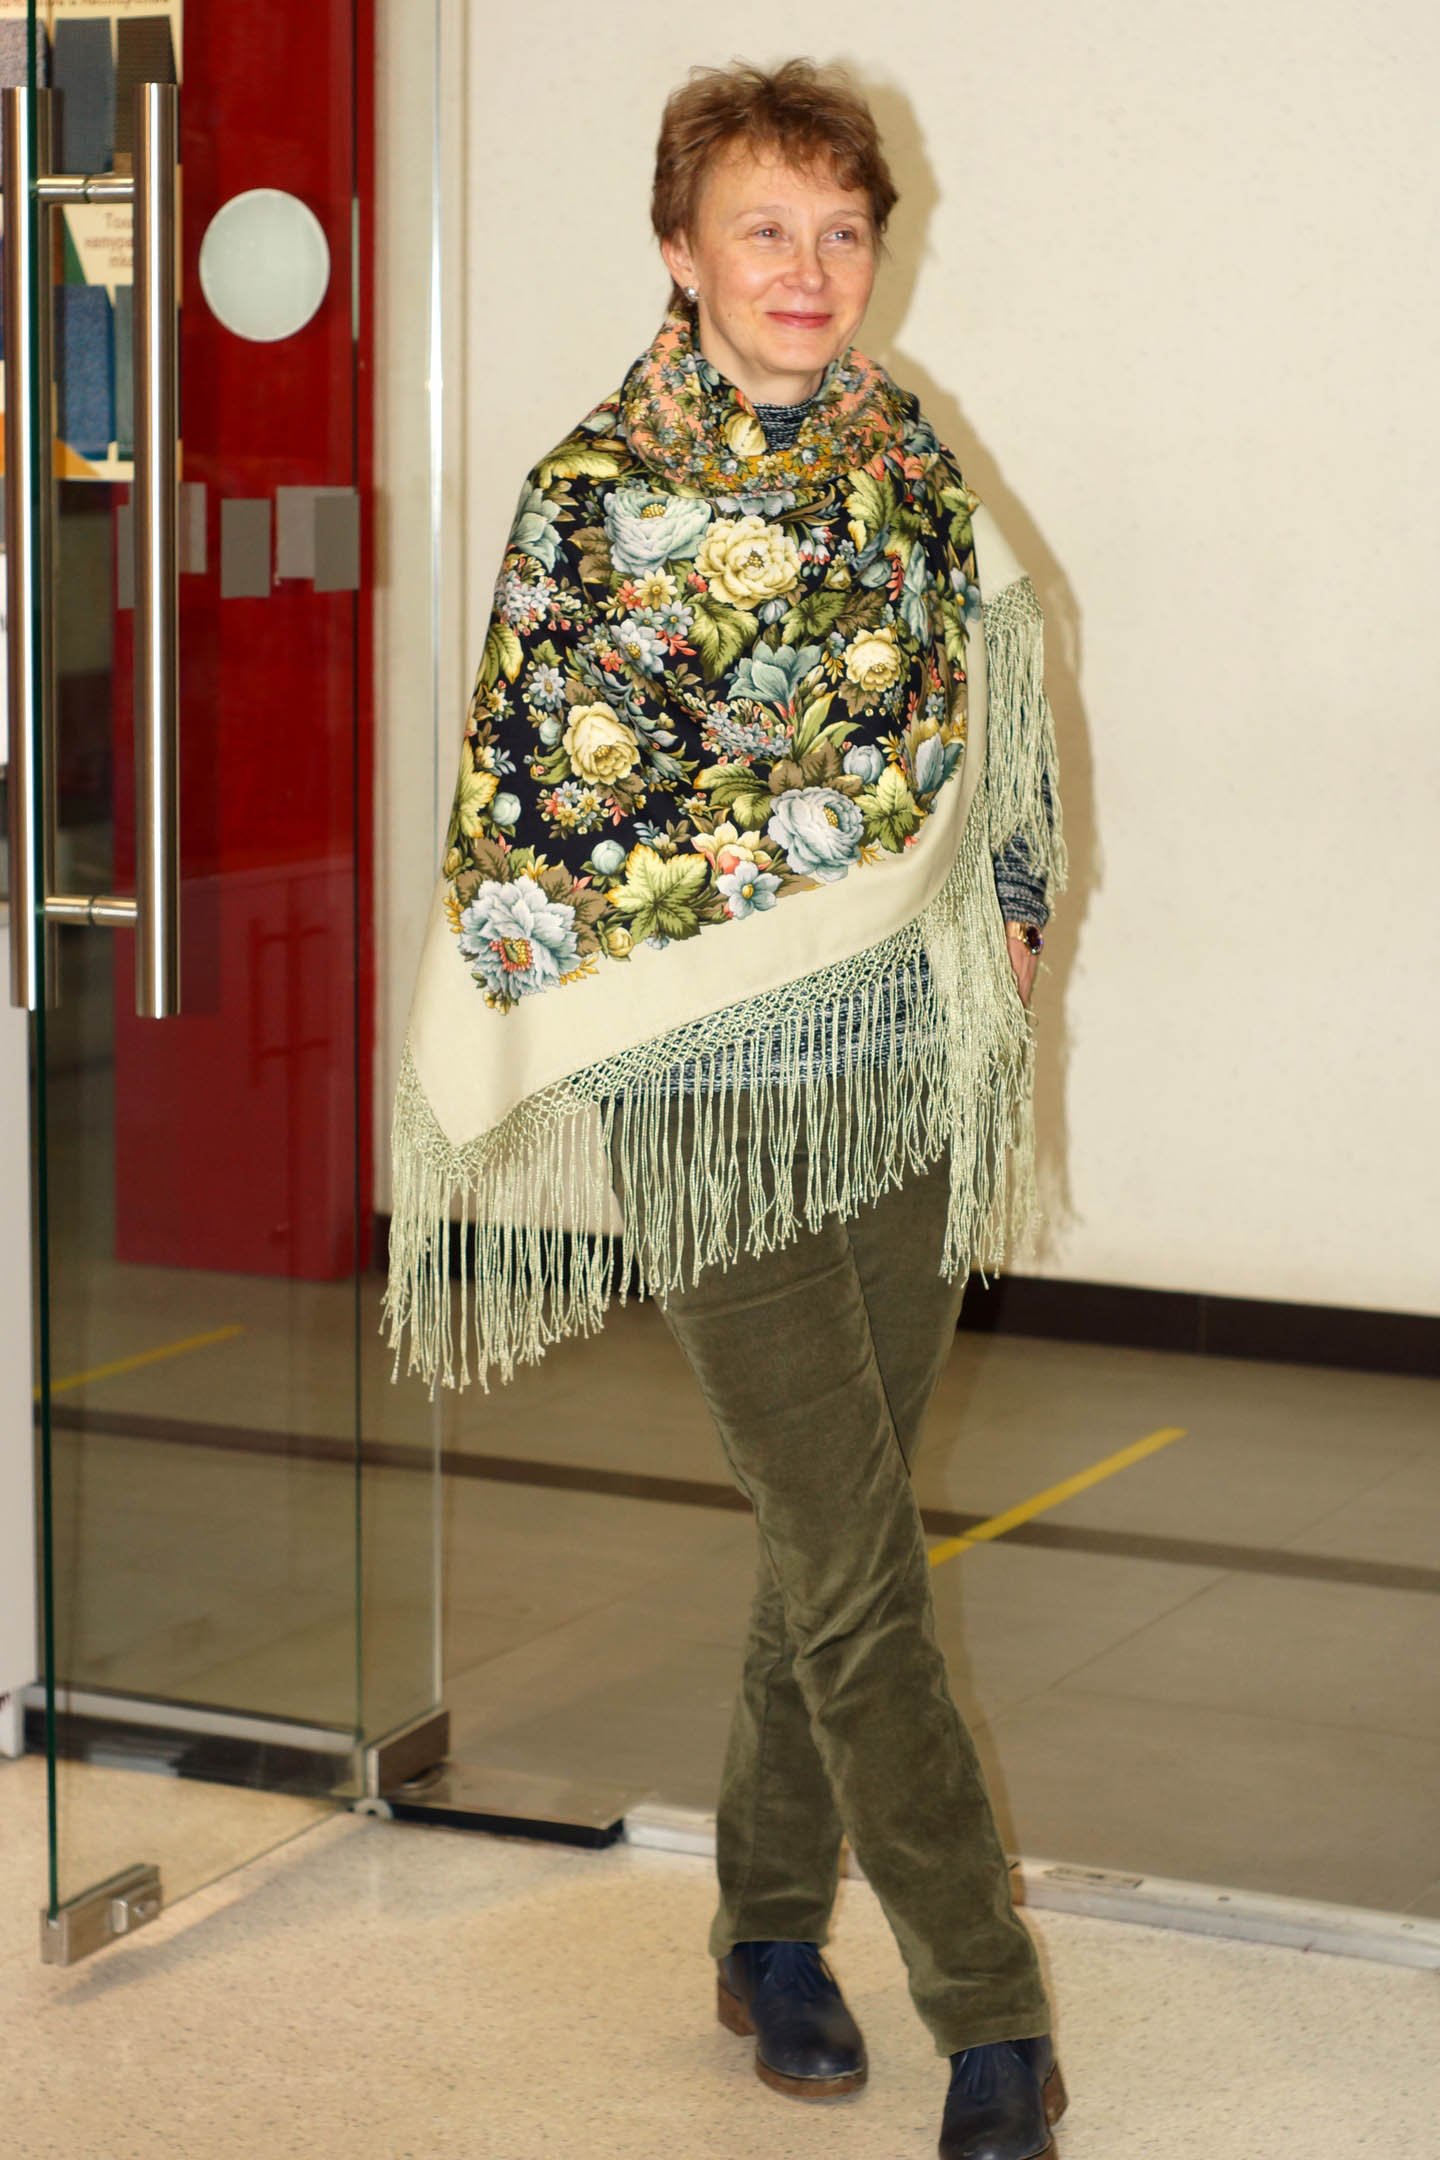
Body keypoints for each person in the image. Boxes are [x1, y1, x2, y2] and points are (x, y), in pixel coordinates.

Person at [384, 57, 1069, 2160]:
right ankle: (992, 2016)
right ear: (680, 253)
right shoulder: (593, 502)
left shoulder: (906, 463)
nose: (808, 266)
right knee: (858, 1567)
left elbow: (1000, 709)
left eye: (841, 231)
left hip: (904, 1076)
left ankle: (766, 1929)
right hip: (710, 1104)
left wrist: (1010, 900)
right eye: (765, 227)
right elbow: (543, 806)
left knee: (819, 1535)